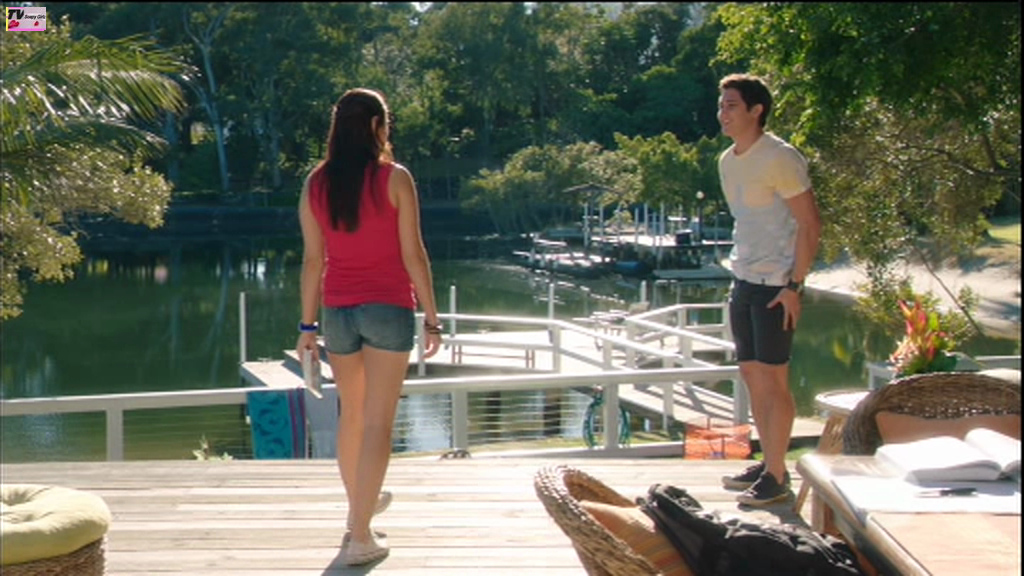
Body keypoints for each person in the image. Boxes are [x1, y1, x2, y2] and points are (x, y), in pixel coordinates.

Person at [295, 88, 442, 564]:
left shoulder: (316, 183)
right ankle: (360, 536)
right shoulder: (395, 178)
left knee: (352, 416)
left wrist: (307, 326)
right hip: (387, 309)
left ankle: (359, 510)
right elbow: (414, 255)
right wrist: (433, 319)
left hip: (338, 312)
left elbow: (313, 261)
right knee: (378, 423)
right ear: (377, 126)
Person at [715, 73, 821, 506]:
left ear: (756, 110)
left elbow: (810, 224)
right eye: (721, 105)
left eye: (731, 106)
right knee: (752, 376)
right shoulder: (727, 161)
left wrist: (795, 285)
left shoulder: (781, 157)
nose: (722, 113)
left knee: (774, 380)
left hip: (777, 286)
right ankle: (770, 463)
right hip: (743, 280)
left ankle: (777, 478)